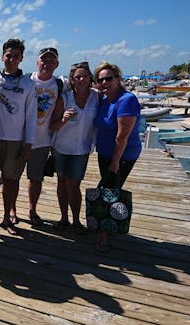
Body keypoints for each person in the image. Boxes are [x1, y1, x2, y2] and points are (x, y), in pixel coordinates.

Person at [0, 38, 38, 235]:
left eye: (16, 56)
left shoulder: (28, 85)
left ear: (21, 59)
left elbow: (31, 117)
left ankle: (6, 217)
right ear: (2, 56)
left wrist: (29, 144)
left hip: (16, 141)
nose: (11, 59)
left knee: (10, 180)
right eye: (8, 55)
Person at [93, 61, 142, 253]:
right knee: (112, 189)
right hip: (104, 153)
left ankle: (102, 235)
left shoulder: (126, 100)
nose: (104, 82)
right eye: (100, 80)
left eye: (108, 78)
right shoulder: (105, 100)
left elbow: (122, 136)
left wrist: (115, 162)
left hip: (121, 155)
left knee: (108, 190)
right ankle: (111, 224)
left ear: (118, 79)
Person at [49, 62, 99, 233]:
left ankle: (77, 220)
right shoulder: (65, 98)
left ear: (90, 78)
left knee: (74, 185)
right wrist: (63, 119)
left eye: (85, 76)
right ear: (72, 79)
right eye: (77, 77)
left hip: (82, 149)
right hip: (61, 148)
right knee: (61, 183)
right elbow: (52, 127)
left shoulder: (96, 97)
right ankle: (64, 218)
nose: (81, 79)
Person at [18, 47, 64, 227]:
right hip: (20, 139)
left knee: (36, 179)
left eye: (51, 60)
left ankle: (32, 209)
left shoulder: (60, 84)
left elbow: (87, 86)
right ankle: (11, 210)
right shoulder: (25, 81)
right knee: (11, 177)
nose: (47, 63)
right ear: (37, 62)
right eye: (44, 60)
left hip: (43, 140)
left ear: (57, 64)